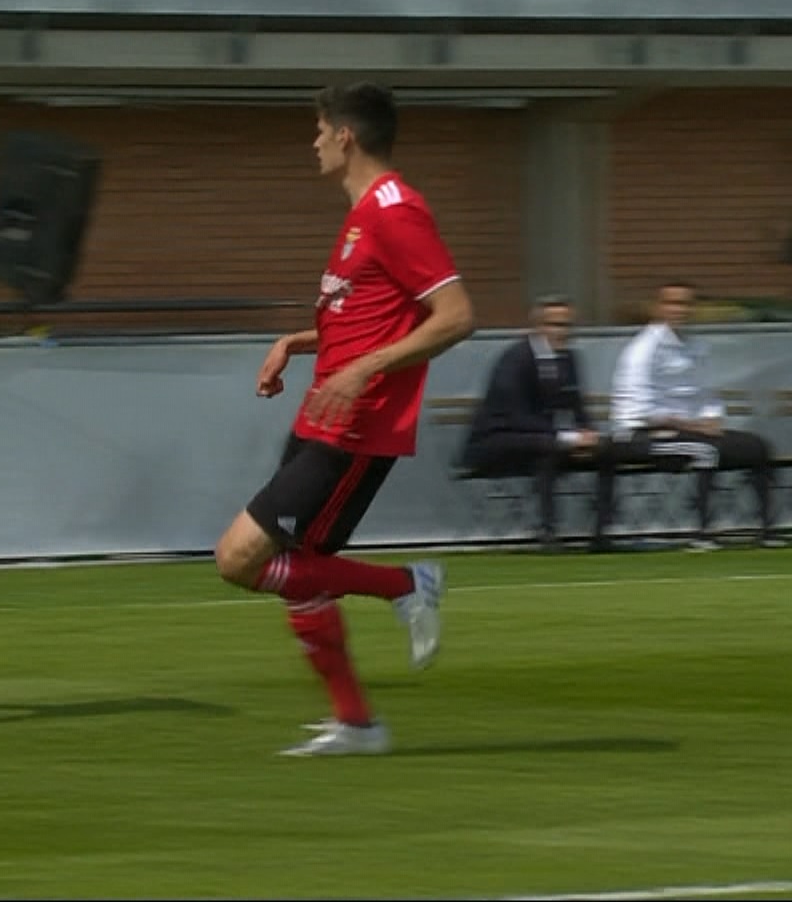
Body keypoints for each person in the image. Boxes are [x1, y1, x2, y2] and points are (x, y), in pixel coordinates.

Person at [212, 83, 475, 757]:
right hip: (323, 414)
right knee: (297, 571)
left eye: (320, 130)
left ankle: (407, 585)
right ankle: (357, 723)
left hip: (357, 426)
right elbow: (364, 317)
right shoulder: (364, 216)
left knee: (239, 558)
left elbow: (456, 316)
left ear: (346, 137)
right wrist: (298, 344)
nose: (315, 142)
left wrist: (362, 372)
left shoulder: (396, 211)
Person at [611, 280, 780, 551]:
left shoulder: (695, 347)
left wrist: (712, 417)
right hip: (642, 434)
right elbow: (638, 410)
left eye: (685, 304)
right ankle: (702, 533)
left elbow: (707, 394)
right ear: (659, 307)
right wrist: (692, 425)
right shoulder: (643, 349)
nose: (680, 310)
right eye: (673, 303)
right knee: (703, 451)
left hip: (690, 430)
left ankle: (767, 530)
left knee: (758, 447)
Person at [461, 294, 619, 553]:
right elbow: (515, 417)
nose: (561, 332)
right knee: (548, 448)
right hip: (496, 440)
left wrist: (588, 434)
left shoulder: (569, 359)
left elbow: (577, 406)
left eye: (566, 325)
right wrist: (566, 438)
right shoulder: (515, 359)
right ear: (538, 326)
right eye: (554, 325)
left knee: (606, 450)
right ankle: (548, 532)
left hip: (540, 438)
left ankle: (602, 534)